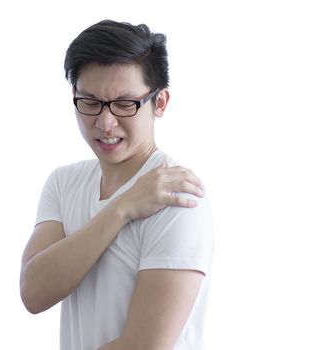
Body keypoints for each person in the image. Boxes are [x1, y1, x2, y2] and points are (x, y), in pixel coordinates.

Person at [20, 19, 214, 350]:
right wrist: (121, 209)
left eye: (125, 104)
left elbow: (142, 346)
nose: (105, 123)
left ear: (160, 103)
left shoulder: (178, 195)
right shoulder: (64, 182)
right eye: (90, 102)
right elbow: (34, 293)